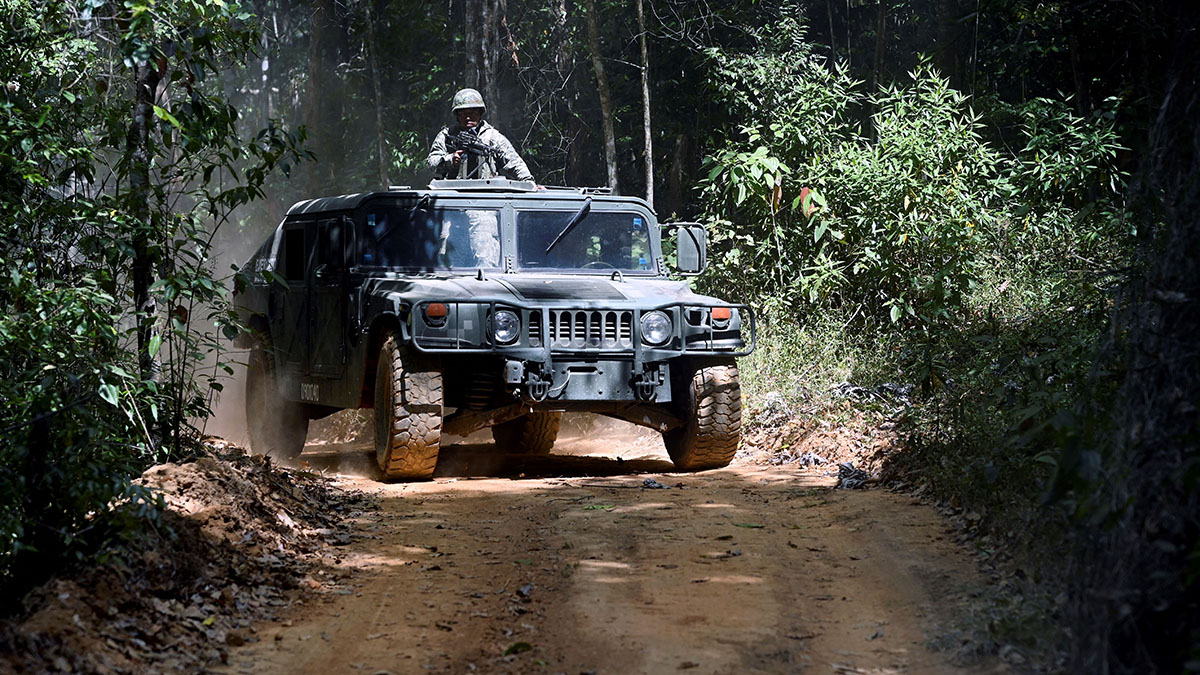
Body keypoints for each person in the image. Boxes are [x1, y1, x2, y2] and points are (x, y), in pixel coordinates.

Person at [427, 88, 534, 181]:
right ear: (457, 115)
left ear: (480, 113)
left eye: (473, 113)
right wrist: (450, 160)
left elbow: (514, 162)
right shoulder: (447, 136)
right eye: (463, 113)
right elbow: (431, 163)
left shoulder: (493, 137)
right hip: (452, 191)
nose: (468, 117)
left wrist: (528, 181)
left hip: (485, 193)